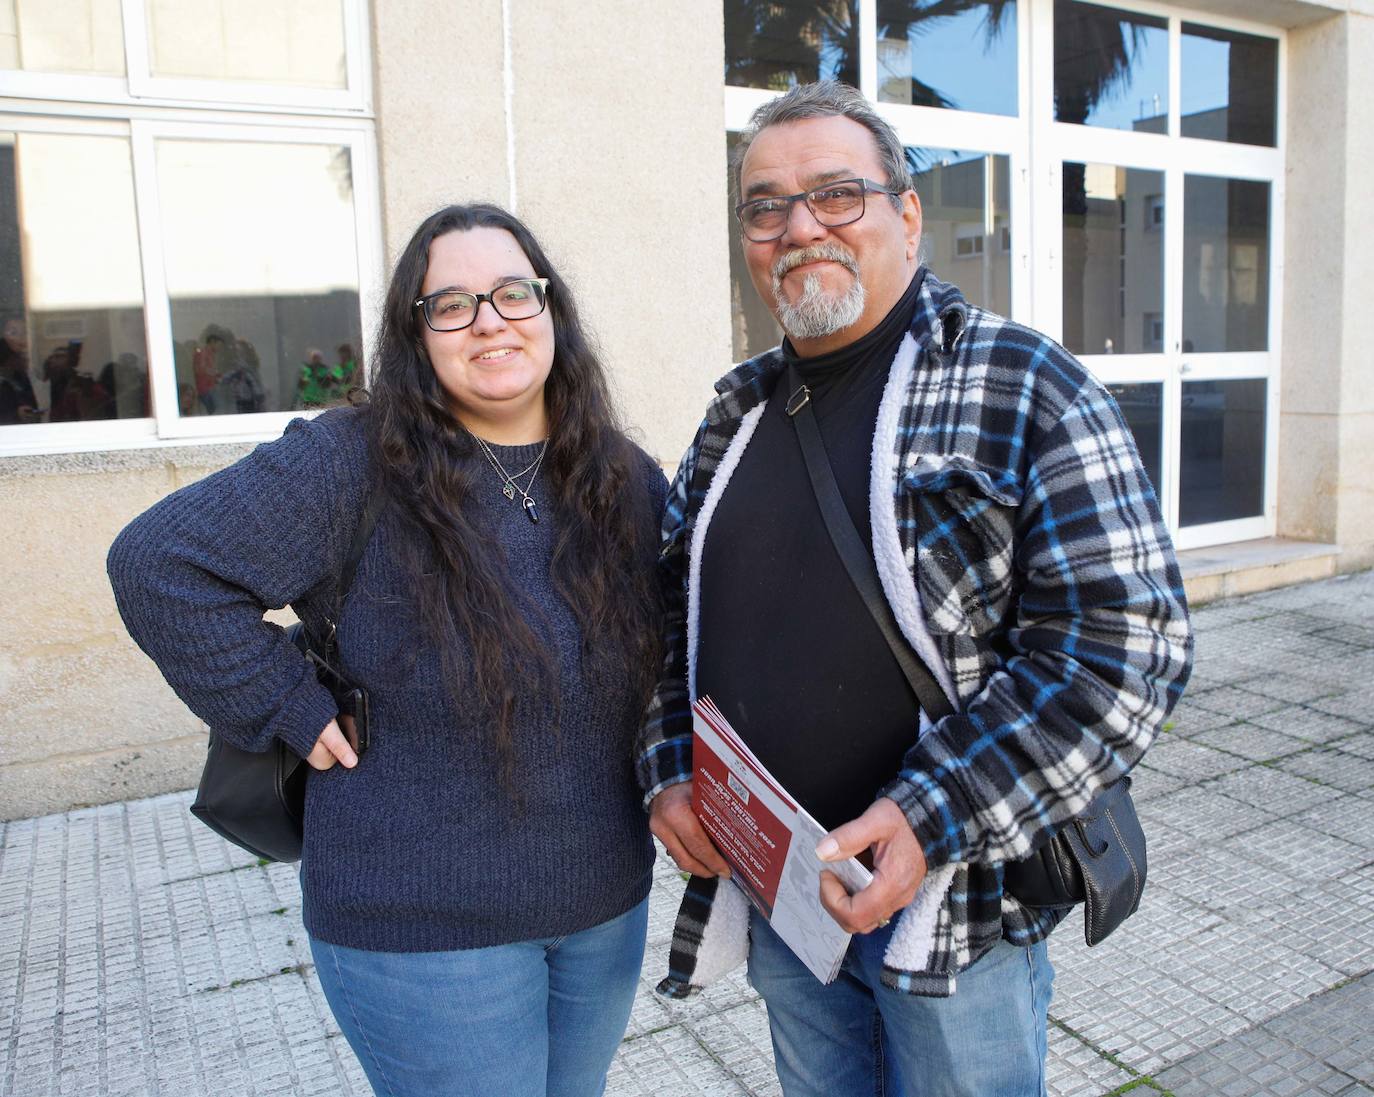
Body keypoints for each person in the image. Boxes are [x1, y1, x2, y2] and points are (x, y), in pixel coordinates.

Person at [637, 81, 1193, 1097]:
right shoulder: (735, 412)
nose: (799, 226)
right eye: (766, 205)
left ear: (908, 213)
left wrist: (933, 813)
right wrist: (668, 764)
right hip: (785, 889)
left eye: (837, 193)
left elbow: (1128, 650)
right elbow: (670, 619)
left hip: (952, 904)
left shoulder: (1028, 385)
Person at [109, 203, 667, 1097]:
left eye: (514, 292)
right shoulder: (350, 463)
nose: (490, 319)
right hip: (425, 932)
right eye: (451, 304)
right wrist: (281, 699)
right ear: (417, 333)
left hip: (603, 906)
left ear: (552, 309)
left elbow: (677, 647)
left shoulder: (620, 475)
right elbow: (160, 564)